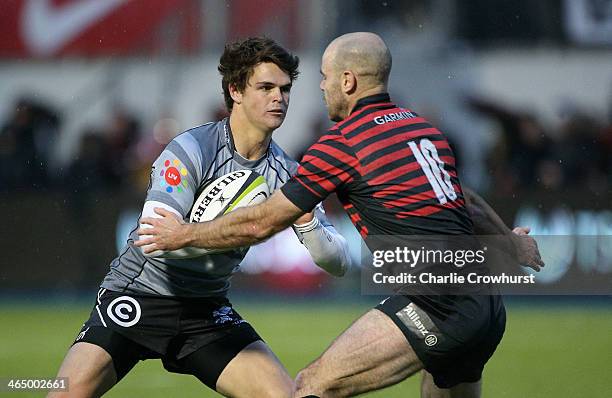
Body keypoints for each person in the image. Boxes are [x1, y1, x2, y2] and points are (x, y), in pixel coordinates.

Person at [136, 32, 543, 398]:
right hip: (487, 305)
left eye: (326, 78)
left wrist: (183, 234)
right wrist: (512, 244)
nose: (323, 87)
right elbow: (466, 202)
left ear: (348, 81)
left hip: (437, 305)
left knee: (312, 387)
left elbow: (263, 221)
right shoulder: (422, 130)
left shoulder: (343, 142)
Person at [49, 37, 350, 398]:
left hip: (207, 312)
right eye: (266, 87)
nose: (279, 98)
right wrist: (250, 225)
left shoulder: (288, 174)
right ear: (235, 90)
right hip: (139, 297)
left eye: (285, 89)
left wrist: (306, 221)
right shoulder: (191, 149)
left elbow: (338, 263)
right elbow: (158, 242)